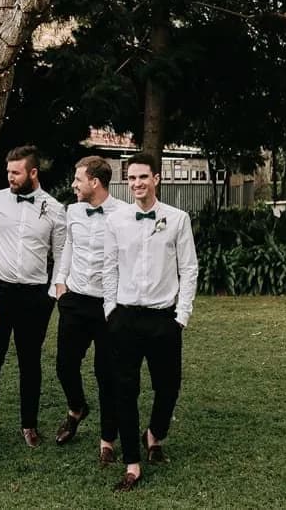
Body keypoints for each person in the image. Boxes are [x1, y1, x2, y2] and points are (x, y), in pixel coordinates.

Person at [102, 152, 198, 492]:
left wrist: (181, 316)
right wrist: (110, 311)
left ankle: (155, 433)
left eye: (143, 177)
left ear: (156, 178)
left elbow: (189, 269)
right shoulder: (116, 221)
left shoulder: (177, 219)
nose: (137, 183)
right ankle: (132, 463)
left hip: (163, 319)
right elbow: (109, 267)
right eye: (131, 178)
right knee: (125, 391)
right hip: (125, 318)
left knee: (168, 386)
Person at [0, 145, 65, 455]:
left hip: (35, 297)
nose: (10, 177)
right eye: (8, 172)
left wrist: (52, 293)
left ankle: (29, 425)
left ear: (33, 173)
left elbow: (62, 255)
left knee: (30, 362)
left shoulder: (54, 208)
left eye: (16, 172)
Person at [52, 156, 128, 465]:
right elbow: (68, 246)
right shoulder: (72, 211)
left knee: (107, 373)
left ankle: (107, 440)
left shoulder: (125, 214)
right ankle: (76, 408)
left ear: (94, 182)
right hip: (75, 298)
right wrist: (59, 282)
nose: (73, 184)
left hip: (110, 304)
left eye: (78, 179)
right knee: (64, 364)